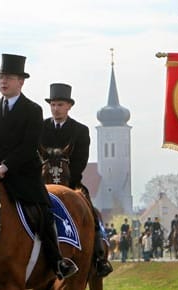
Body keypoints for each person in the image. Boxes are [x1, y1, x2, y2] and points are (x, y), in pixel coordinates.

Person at [0, 54, 77, 279]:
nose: (3, 81)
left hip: (23, 173)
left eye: (9, 77)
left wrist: (7, 165)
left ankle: (57, 261)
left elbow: (28, 146)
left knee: (42, 212)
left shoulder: (32, 110)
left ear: (21, 82)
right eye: (1, 77)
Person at [40, 83, 112, 277]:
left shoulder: (80, 130)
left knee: (92, 213)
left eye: (60, 105)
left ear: (69, 106)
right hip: (43, 184)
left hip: (71, 183)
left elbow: (80, 161)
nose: (56, 109)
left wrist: (66, 186)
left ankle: (99, 257)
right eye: (53, 105)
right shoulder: (41, 128)